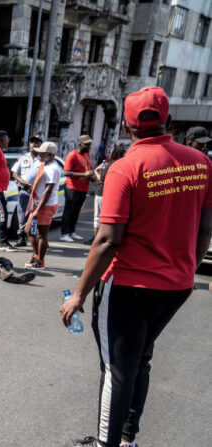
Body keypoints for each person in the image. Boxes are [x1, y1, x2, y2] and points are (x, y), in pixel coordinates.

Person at [61, 86, 212, 447]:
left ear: (127, 129)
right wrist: (187, 270)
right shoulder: (201, 162)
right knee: (139, 361)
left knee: (116, 370)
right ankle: (127, 440)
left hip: (129, 285)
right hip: (176, 286)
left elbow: (108, 239)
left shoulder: (125, 167)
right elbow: (205, 229)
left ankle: (106, 444)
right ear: (168, 121)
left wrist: (78, 294)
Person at [23, 142, 62, 269]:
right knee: (29, 230)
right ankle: (36, 256)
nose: (39, 154)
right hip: (38, 203)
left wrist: (37, 210)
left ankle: (40, 261)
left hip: (45, 205)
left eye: (42, 153)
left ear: (50, 154)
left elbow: (48, 191)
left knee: (41, 235)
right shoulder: (45, 164)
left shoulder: (53, 168)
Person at [60, 134, 94, 242]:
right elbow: (66, 172)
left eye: (89, 145)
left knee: (76, 211)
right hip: (72, 188)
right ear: (80, 144)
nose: (89, 147)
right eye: (87, 145)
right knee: (69, 211)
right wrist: (83, 175)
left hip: (83, 188)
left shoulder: (87, 155)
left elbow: (86, 170)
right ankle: (64, 233)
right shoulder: (72, 155)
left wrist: (90, 177)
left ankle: (71, 231)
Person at [11, 135, 42, 247]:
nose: (34, 144)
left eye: (37, 142)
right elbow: (14, 172)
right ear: (29, 145)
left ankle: (34, 238)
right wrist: (22, 182)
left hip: (38, 192)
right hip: (24, 191)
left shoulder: (43, 159)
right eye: (32, 142)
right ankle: (21, 238)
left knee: (35, 216)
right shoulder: (23, 158)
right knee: (22, 215)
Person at [90, 145, 127, 240]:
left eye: (110, 152)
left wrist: (95, 171)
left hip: (101, 193)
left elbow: (101, 180)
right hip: (108, 194)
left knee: (97, 217)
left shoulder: (110, 164)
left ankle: (97, 239)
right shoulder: (120, 165)